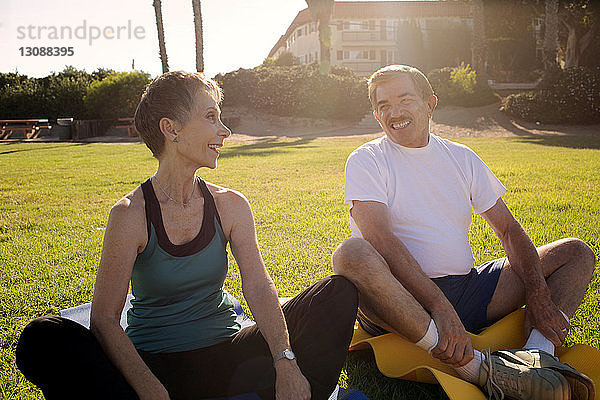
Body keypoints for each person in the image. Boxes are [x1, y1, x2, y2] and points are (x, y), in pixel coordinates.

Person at [16, 71, 358, 400]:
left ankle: (296, 393)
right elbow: (105, 318)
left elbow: (257, 285)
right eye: (211, 117)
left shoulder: (230, 204)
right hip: (154, 363)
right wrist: (150, 389)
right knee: (43, 337)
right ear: (171, 129)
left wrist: (285, 361)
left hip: (229, 359)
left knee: (336, 293)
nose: (225, 130)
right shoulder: (130, 214)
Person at [332, 65, 595, 400]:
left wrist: (539, 292)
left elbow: (508, 229)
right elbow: (380, 241)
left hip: (468, 290)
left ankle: (536, 357)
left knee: (576, 252)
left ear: (430, 104)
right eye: (383, 105)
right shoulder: (367, 159)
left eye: (404, 99)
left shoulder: (461, 157)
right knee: (351, 253)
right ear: (375, 114)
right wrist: (440, 307)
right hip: (398, 298)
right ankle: (476, 369)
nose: (394, 112)